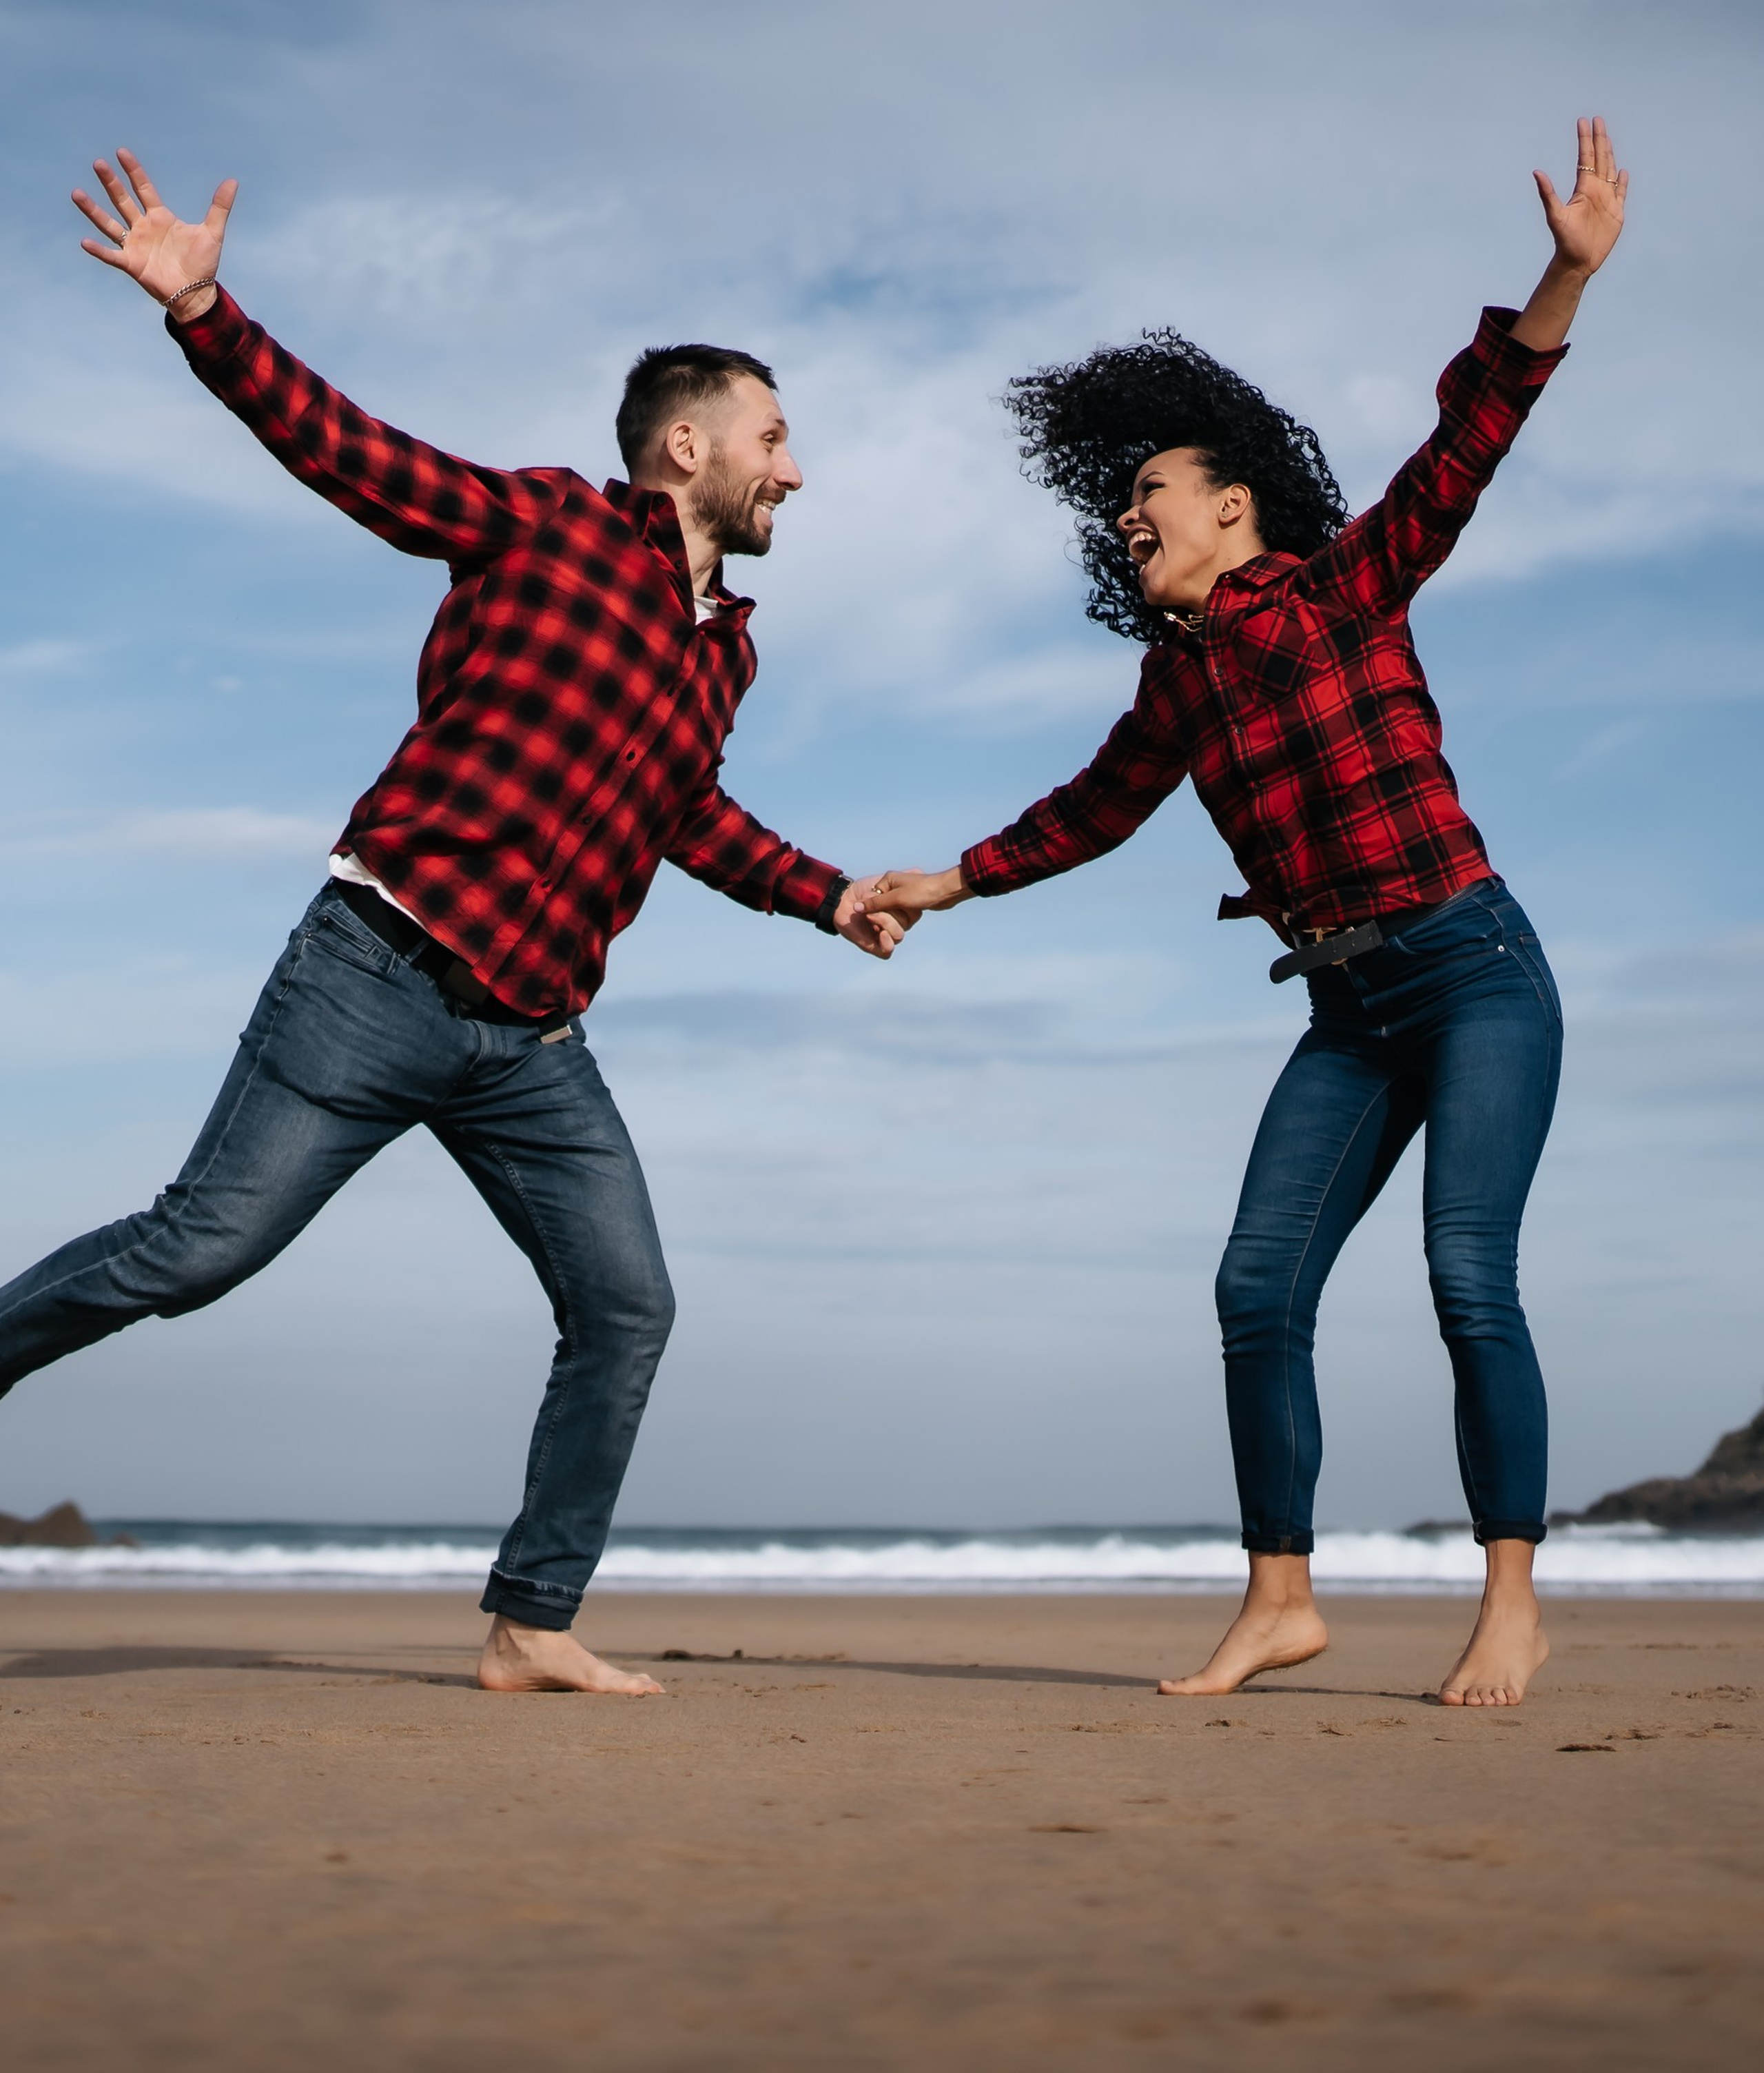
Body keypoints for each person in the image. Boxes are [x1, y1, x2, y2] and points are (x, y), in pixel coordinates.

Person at [0, 148, 908, 1697]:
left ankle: (530, 1623)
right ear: (684, 447)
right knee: (193, 1252)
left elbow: (681, 813)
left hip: (534, 1042)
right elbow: (351, 455)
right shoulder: (545, 526)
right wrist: (205, 310)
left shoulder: (721, 656)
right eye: (774, 438)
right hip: (375, 974)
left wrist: (820, 894)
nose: (794, 469)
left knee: (626, 1306)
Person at [871, 120, 1628, 1708]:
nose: (1127, 517)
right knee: (1252, 1288)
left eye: (1153, 494)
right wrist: (941, 883)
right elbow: (1088, 811)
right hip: (1347, 1010)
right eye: (1122, 503)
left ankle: (1508, 1601)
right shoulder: (1173, 684)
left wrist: (1559, 273)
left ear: (1236, 512)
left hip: (1472, 965)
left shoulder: (1346, 586)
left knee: (1464, 1274)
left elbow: (1467, 442)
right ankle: (1279, 1598)